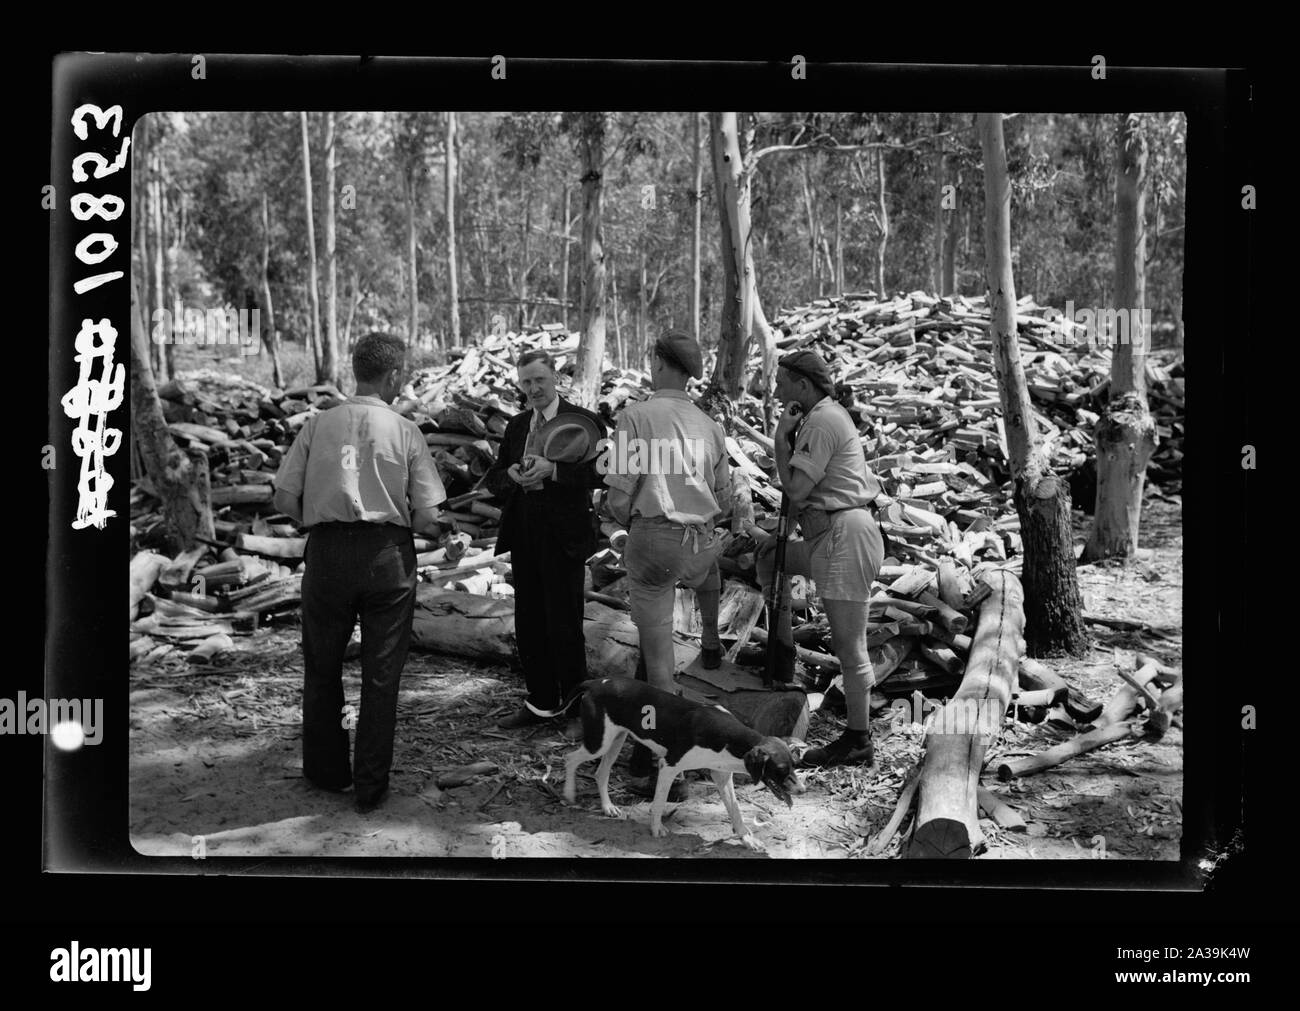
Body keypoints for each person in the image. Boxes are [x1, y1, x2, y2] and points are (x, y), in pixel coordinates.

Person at [273, 333, 447, 813]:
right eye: (403, 375)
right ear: (393, 376)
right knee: (381, 674)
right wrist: (435, 530)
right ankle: (371, 788)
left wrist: (325, 514)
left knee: (322, 666)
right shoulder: (405, 430)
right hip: (387, 556)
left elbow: (284, 498)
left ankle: (328, 773)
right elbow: (428, 516)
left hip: (327, 553)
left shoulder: (317, 425)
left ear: (356, 370)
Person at [605, 330, 731, 793]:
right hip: (698, 544)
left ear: (658, 362)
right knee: (666, 648)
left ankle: (666, 770)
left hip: (654, 539)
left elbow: (619, 496)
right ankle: (712, 640)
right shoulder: (708, 424)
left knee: (660, 669)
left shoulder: (636, 416)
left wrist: (628, 523)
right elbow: (722, 494)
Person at [754, 349, 885, 768]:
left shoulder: (823, 421)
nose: (775, 389)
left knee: (851, 646)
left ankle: (858, 738)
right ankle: (783, 656)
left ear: (803, 386)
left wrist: (779, 437)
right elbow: (797, 500)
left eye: (782, 382)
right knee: (770, 556)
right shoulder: (816, 420)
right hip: (826, 535)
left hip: (844, 535)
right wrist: (775, 535)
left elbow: (795, 489)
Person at [484, 349, 606, 731]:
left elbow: (603, 473)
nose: (533, 388)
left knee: (564, 621)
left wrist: (555, 471)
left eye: (540, 379)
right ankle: (540, 703)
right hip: (524, 533)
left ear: (556, 378)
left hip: (565, 536)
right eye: (526, 382)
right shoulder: (518, 425)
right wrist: (513, 478)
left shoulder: (584, 422)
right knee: (529, 622)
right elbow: (494, 476)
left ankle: (575, 707)